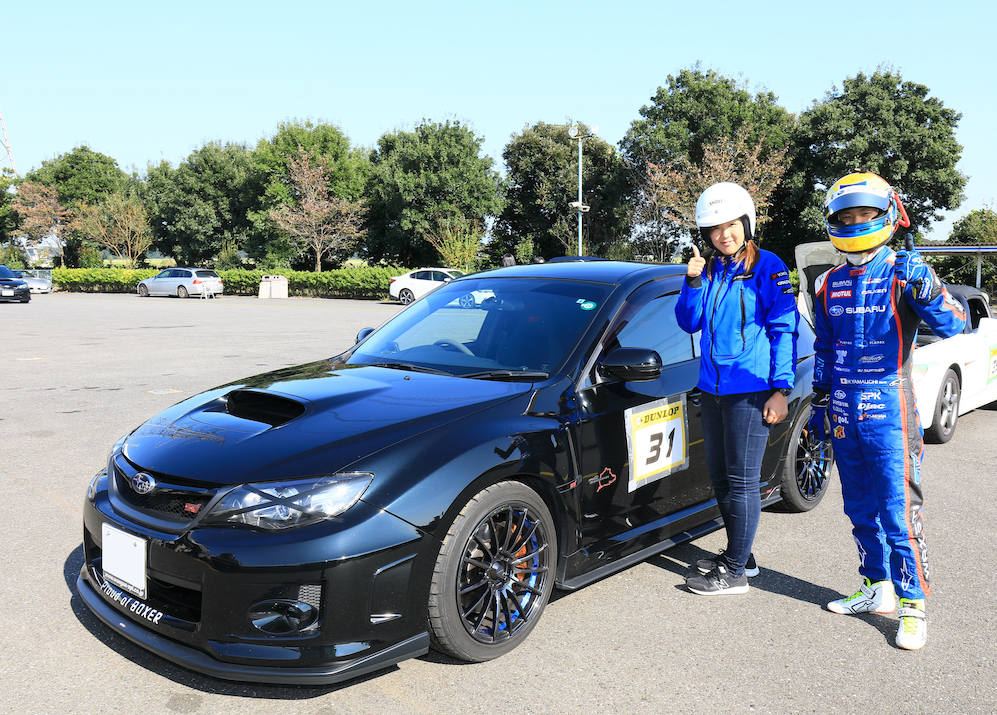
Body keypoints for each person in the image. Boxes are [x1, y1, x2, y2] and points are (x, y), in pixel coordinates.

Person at [810, 171, 966, 650]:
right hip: (841, 409)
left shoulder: (905, 271)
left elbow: (953, 324)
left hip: (890, 411)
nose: (856, 222)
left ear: (887, 216)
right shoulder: (825, 281)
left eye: (865, 214)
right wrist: (818, 403)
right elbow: (824, 348)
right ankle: (876, 588)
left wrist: (929, 287)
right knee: (858, 509)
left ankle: (913, 604)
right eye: (847, 215)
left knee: (898, 514)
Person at [675, 182, 799, 596]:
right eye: (714, 228)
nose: (723, 234)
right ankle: (740, 555)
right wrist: (691, 283)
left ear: (745, 223)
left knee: (743, 481)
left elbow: (784, 328)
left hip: (751, 390)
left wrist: (780, 389)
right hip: (711, 390)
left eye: (730, 225)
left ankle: (734, 572)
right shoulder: (708, 269)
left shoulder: (769, 266)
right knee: (722, 480)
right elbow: (688, 323)